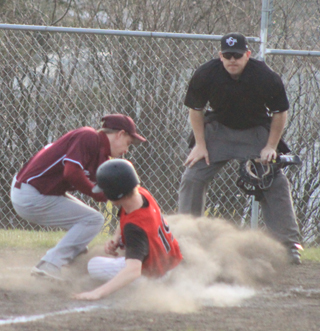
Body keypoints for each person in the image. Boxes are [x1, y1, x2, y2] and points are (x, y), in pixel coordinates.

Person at [178, 32, 302, 264]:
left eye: (237, 55)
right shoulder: (206, 74)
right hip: (219, 130)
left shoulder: (264, 76)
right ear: (220, 56)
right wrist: (200, 145)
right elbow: (196, 109)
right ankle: (187, 239)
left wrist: (271, 146)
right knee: (193, 176)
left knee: (274, 180)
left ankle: (288, 245)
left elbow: (280, 112)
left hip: (255, 130)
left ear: (248, 54)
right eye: (227, 55)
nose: (232, 60)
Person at [10, 114, 146, 281]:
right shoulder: (88, 136)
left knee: (88, 220)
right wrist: (96, 193)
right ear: (119, 134)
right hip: (30, 193)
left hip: (38, 192)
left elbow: (116, 197)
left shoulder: (102, 159)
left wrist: (122, 233)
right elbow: (72, 172)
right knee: (93, 220)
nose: (126, 150)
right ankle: (50, 265)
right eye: (128, 143)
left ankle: (76, 259)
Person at [73, 159, 183, 301]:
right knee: (125, 256)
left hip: (152, 278)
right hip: (170, 263)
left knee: (93, 265)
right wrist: (116, 237)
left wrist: (98, 293)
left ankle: (138, 289)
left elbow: (133, 271)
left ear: (115, 193)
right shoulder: (141, 194)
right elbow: (128, 215)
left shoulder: (134, 228)